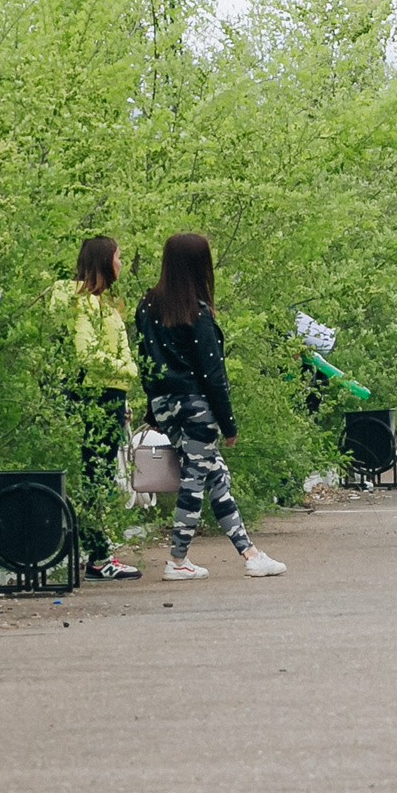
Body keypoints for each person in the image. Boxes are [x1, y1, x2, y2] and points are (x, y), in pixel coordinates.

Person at [135, 232, 285, 582]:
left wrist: (153, 410)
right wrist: (228, 423)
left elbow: (146, 360)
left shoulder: (147, 306)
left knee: (216, 475)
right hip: (196, 407)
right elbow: (212, 374)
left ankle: (250, 553)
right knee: (195, 479)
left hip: (165, 404)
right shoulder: (196, 312)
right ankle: (177, 558)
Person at [50, 234, 145, 575]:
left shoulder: (103, 303)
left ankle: (99, 550)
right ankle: (98, 557)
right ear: (105, 261)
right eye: (118, 258)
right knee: (97, 474)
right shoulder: (84, 303)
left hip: (111, 395)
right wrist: (128, 369)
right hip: (96, 396)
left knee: (102, 472)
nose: (121, 264)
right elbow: (86, 353)